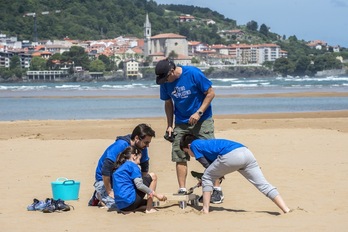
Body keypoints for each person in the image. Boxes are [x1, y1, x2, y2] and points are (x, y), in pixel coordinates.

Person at [155, 58, 224, 203]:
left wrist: (199, 113)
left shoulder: (193, 73)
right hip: (181, 122)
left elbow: (211, 93)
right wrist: (169, 124)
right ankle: (182, 189)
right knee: (179, 154)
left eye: (166, 78)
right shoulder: (165, 83)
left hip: (202, 119)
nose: (165, 82)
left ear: (172, 71)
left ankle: (217, 190)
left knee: (210, 154)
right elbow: (168, 103)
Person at [180, 133, 291, 214]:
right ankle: (286, 209)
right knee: (262, 184)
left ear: (188, 146)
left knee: (207, 177)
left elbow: (207, 166)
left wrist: (206, 178)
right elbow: (214, 166)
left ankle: (205, 209)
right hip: (246, 152)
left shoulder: (194, 145)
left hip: (231, 155)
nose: (190, 155)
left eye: (187, 152)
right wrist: (215, 173)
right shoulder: (206, 144)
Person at [89, 123, 156, 208]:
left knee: (129, 202)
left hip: (124, 180)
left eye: (149, 143)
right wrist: (109, 191)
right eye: (146, 142)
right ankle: (98, 195)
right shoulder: (120, 145)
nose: (147, 146)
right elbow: (105, 168)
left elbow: (145, 166)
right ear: (136, 138)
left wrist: (142, 186)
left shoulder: (143, 148)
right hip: (105, 179)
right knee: (115, 206)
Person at [112, 146, 167, 213]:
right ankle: (149, 208)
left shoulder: (120, 168)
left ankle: (138, 207)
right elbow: (139, 185)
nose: (139, 162)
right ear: (134, 156)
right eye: (139, 159)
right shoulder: (133, 165)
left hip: (121, 206)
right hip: (130, 202)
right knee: (153, 176)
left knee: (144, 202)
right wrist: (156, 195)